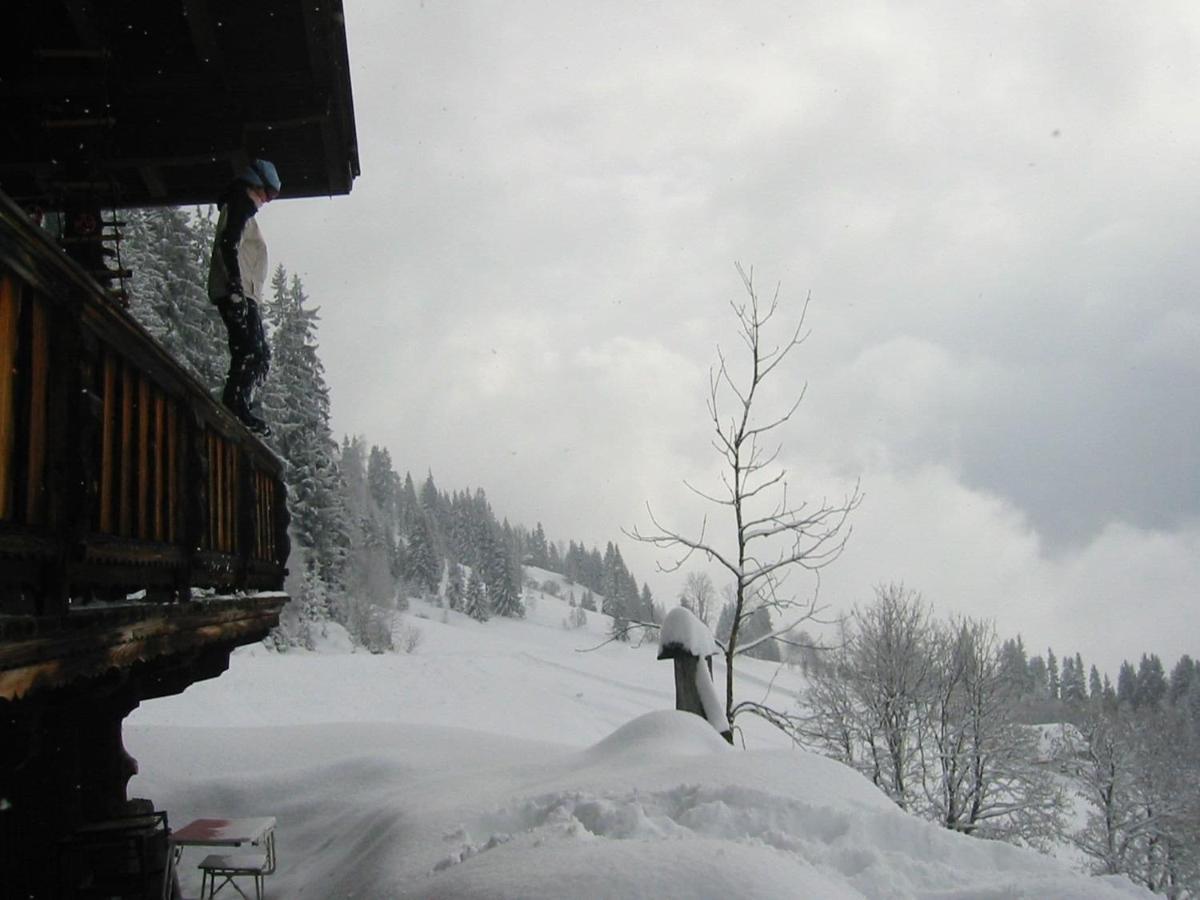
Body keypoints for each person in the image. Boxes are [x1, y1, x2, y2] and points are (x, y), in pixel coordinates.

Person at [207, 158, 280, 436]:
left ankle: (240, 402)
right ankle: (236, 403)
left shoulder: (243, 209)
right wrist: (235, 287)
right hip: (237, 291)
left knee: (258, 353)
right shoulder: (240, 204)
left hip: (245, 292)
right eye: (268, 193)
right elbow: (228, 244)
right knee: (250, 350)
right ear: (256, 184)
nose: (267, 201)